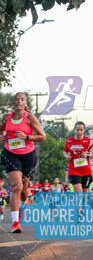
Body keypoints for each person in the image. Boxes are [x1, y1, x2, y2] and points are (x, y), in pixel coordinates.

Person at [0, 92, 46, 233]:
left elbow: (42, 136)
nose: (19, 102)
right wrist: (2, 136)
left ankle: (23, 205)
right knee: (16, 186)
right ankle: (15, 223)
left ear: (25, 103)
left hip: (27, 155)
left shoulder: (30, 117)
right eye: (17, 99)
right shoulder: (6, 118)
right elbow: (1, 131)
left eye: (22, 99)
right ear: (13, 102)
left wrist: (26, 136)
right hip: (11, 153)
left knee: (24, 190)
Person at [63, 122, 93, 192]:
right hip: (74, 170)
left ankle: (84, 203)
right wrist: (67, 156)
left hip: (86, 171)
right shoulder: (69, 141)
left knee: (85, 194)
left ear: (84, 130)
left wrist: (87, 155)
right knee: (79, 193)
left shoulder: (88, 141)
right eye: (77, 129)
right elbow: (64, 151)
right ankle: (79, 203)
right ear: (74, 130)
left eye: (81, 130)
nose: (79, 132)